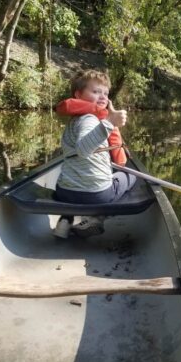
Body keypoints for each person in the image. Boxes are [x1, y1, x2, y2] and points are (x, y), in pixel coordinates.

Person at [53, 69, 136, 239]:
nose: (103, 97)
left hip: (64, 193)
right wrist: (110, 122)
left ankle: (64, 221)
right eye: (96, 91)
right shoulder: (90, 120)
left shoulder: (74, 121)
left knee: (73, 179)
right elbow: (84, 150)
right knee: (131, 177)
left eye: (105, 93)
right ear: (78, 94)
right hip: (96, 196)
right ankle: (96, 218)